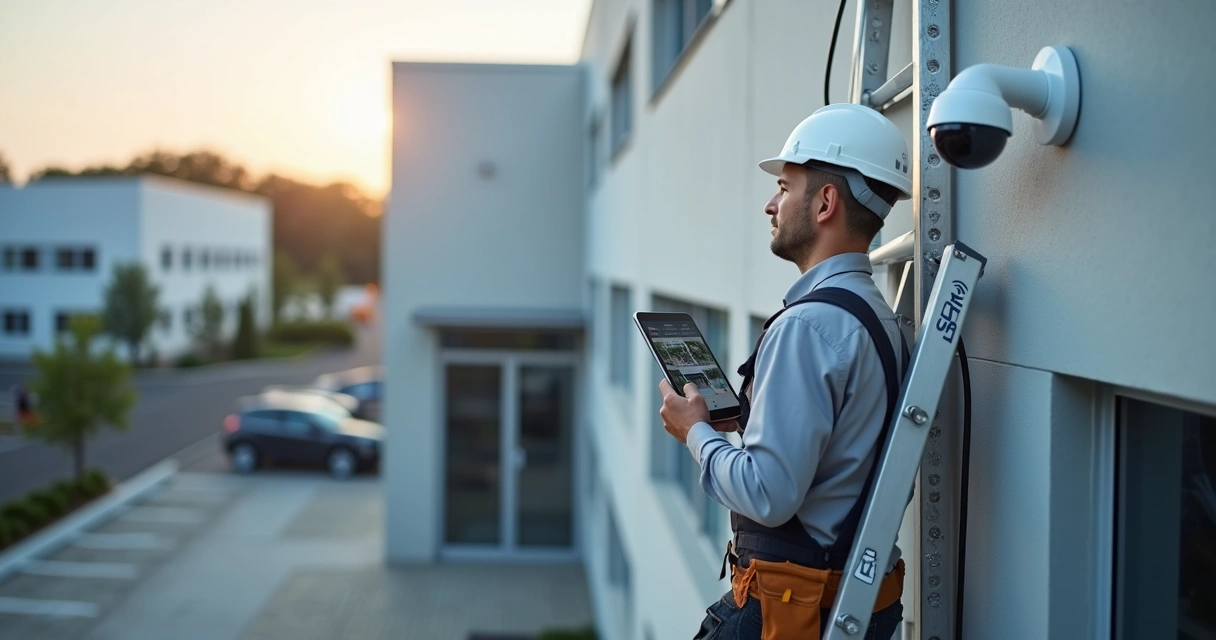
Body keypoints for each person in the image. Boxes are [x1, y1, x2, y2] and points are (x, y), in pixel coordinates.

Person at [658, 103, 914, 640]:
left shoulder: (808, 328)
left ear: (825, 202)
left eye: (784, 187)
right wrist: (747, 429)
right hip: (846, 603)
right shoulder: (874, 316)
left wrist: (696, 433)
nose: (771, 205)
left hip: (790, 611)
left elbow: (767, 495)